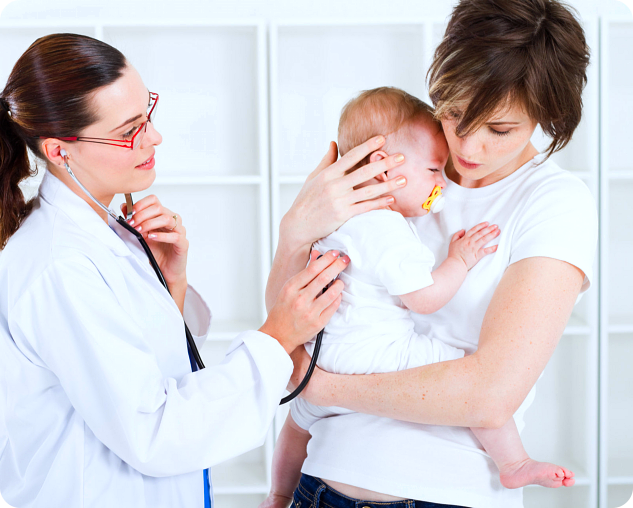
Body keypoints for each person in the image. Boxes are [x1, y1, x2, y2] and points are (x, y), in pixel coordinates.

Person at [0, 33, 402, 508]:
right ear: (59, 149)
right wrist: (278, 335)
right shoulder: (58, 265)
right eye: (130, 129)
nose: (154, 137)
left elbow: (143, 369)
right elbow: (154, 430)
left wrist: (172, 285)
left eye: (147, 112)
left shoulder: (104, 234)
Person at [264, 1, 597, 507]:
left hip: (445, 494)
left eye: (499, 130)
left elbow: (489, 395)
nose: (467, 146)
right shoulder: (395, 160)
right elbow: (288, 322)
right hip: (319, 484)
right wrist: (292, 233)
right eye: (456, 114)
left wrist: (321, 388)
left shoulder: (554, 203)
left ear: (546, 116)